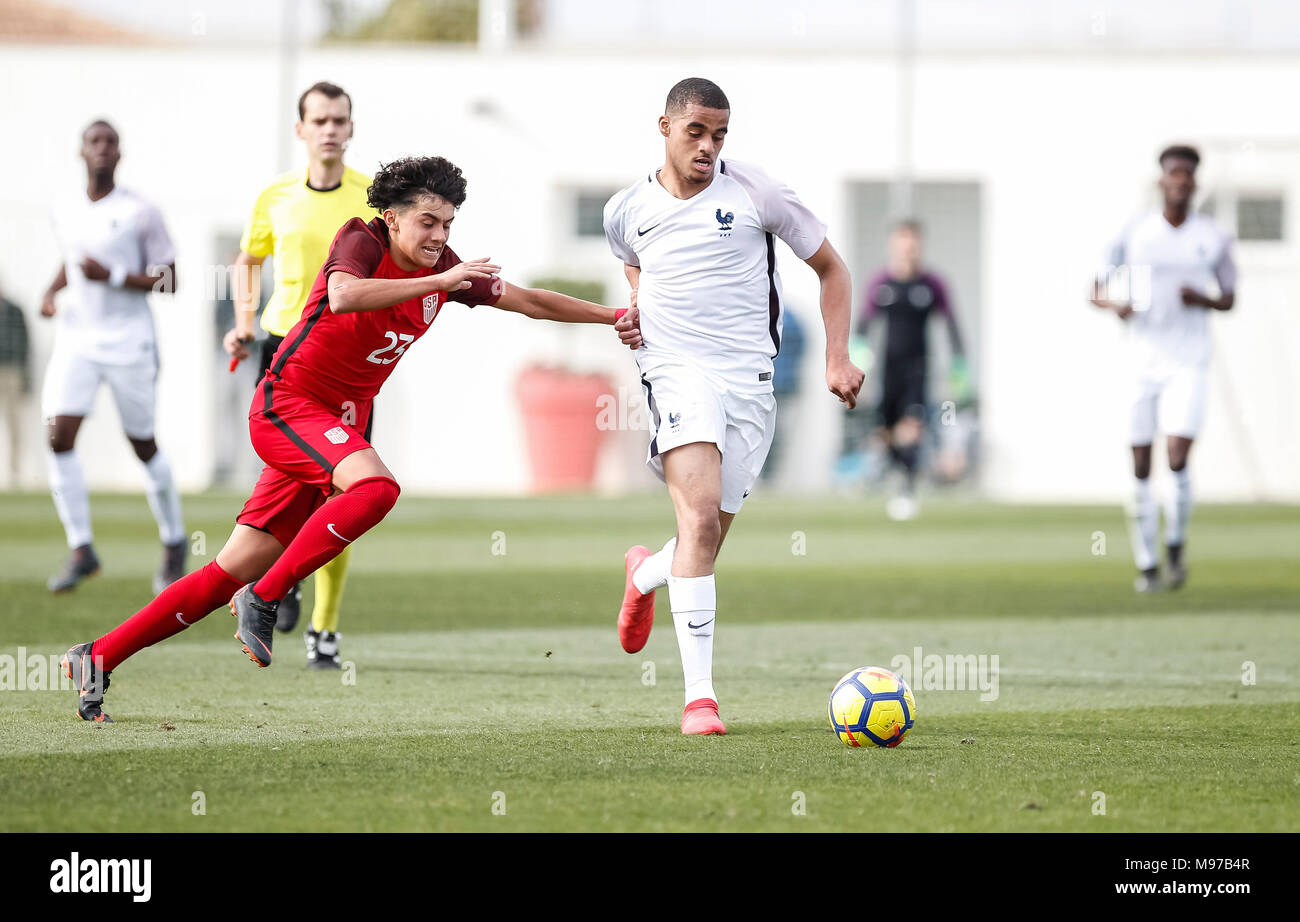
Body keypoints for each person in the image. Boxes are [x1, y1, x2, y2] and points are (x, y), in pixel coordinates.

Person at [61, 155, 636, 722]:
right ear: (392, 218)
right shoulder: (362, 239)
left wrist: (614, 315)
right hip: (288, 406)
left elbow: (529, 301)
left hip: (329, 428)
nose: (439, 236)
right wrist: (441, 279)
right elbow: (343, 295)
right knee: (377, 490)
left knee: (224, 573)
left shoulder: (442, 270)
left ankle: (98, 655)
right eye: (428, 223)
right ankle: (265, 596)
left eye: (448, 225)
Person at [607, 78, 864, 735]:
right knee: (696, 519)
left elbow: (832, 269)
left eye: (719, 135)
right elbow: (633, 259)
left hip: (750, 382)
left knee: (706, 538)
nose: (708, 146)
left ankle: (644, 576)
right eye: (695, 131)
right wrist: (641, 310)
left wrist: (836, 358)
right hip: (674, 372)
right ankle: (701, 700)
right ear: (663, 125)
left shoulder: (758, 193)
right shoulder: (626, 209)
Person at [225, 81, 376, 666]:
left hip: (346, 361)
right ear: (301, 129)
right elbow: (248, 261)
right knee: (292, 487)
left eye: (340, 119)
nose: (330, 129)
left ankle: (325, 627)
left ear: (351, 127)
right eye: (319, 120)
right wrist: (242, 321)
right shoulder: (276, 196)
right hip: (284, 350)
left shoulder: (371, 197)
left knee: (348, 489)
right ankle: (280, 580)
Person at [38, 120, 185, 595]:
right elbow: (74, 261)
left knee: (142, 445)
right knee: (57, 436)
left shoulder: (141, 211)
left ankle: (174, 541)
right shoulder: (64, 206)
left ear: (120, 154)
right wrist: (51, 290)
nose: (102, 149)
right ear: (81, 151)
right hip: (77, 339)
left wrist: (114, 275)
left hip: (129, 341)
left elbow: (170, 279)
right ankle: (82, 549)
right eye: (93, 142)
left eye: (110, 142)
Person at [1090, 144, 1237, 592]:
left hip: (1188, 362)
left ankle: (1175, 543)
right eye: (1173, 173)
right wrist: (1117, 305)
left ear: (1195, 182)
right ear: (1161, 180)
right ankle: (1147, 562)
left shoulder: (1212, 236)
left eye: (1187, 174)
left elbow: (1230, 295)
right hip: (1140, 361)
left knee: (1177, 455)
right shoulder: (1135, 232)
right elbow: (1094, 288)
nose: (1180, 181)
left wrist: (1205, 299)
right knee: (1140, 463)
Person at [858, 220, 966, 521]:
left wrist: (959, 367)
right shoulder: (881, 283)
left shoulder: (932, 285)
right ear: (893, 246)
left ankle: (906, 487)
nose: (909, 249)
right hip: (887, 370)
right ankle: (895, 471)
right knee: (886, 432)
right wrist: (855, 365)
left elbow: (952, 326)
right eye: (903, 243)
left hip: (918, 370)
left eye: (914, 243)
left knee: (912, 427)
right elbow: (864, 327)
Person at [0, 281, 30, 487]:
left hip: (11, 372)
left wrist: (25, 379)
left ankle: (14, 475)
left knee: (14, 425)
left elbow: (25, 344)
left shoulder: (15, 310)